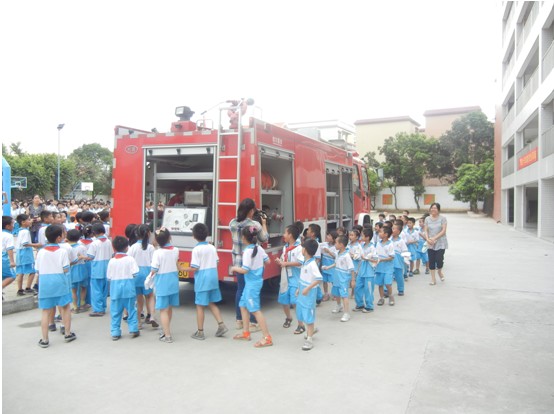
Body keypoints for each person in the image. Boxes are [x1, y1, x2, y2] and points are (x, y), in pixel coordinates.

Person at [180, 223, 228, 340]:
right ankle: (221, 325)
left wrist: (182, 268)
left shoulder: (196, 249)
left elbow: (195, 267)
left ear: (194, 236)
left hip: (202, 279)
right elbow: (216, 261)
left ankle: (200, 331)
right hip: (213, 277)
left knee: (200, 306)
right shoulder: (212, 247)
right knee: (212, 302)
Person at [229, 198, 268, 331]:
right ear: (251, 211)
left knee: (240, 290)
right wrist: (264, 224)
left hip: (238, 262)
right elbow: (264, 238)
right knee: (252, 291)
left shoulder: (232, 223)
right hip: (253, 263)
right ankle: (252, 322)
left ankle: (239, 320)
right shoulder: (255, 225)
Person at [35, 224, 76, 348]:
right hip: (59, 281)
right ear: (59, 238)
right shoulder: (62, 251)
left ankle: (44, 339)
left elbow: (37, 270)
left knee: (45, 311)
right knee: (65, 307)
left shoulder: (41, 252)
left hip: (45, 283)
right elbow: (65, 269)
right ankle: (67, 334)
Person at [231, 226, 273, 347]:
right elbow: (268, 261)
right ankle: (246, 333)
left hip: (252, 284)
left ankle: (267, 337)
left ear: (244, 238)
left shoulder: (247, 252)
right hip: (255, 282)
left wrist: (234, 268)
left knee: (255, 310)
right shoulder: (258, 248)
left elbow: (245, 270)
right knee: (243, 306)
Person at [150, 227, 181, 343]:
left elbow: (154, 269)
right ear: (170, 238)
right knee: (169, 308)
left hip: (162, 282)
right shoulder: (176, 250)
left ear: (157, 241)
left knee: (163, 309)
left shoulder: (157, 253)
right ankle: (166, 329)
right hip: (173, 281)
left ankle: (167, 335)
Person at [107, 236, 140, 340]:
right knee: (131, 309)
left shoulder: (111, 261)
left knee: (115, 311)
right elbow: (135, 273)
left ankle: (115, 332)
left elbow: (109, 277)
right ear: (127, 247)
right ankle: (133, 329)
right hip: (128, 288)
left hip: (115, 289)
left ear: (114, 248)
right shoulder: (130, 259)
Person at [128, 224, 158, 329]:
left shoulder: (132, 247)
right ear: (149, 234)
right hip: (147, 273)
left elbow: (129, 261)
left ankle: (138, 322)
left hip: (136, 274)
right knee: (150, 296)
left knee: (138, 298)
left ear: (136, 234)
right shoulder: (151, 248)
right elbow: (154, 263)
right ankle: (152, 317)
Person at [296, 239, 323, 351]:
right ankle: (311, 330)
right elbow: (303, 277)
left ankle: (309, 339)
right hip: (302, 291)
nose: (301, 249)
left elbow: (318, 279)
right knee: (303, 313)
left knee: (308, 315)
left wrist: (307, 288)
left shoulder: (312, 264)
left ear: (305, 250)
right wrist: (299, 289)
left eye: (302, 247)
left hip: (309, 293)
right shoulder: (305, 262)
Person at [275, 224, 303, 333]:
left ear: (290, 235)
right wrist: (280, 261)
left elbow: (300, 262)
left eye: (285, 233)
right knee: (283, 300)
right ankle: (288, 317)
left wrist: (286, 263)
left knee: (295, 302)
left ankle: (301, 325)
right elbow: (284, 259)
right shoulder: (285, 247)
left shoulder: (299, 248)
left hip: (295, 278)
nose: (284, 235)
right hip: (285, 277)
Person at [322, 235, 355, 322]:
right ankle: (339, 305)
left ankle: (346, 313)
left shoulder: (347, 256)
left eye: (336, 243)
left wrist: (352, 280)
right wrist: (328, 267)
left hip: (343, 278)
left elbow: (351, 269)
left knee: (344, 295)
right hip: (336, 276)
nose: (335, 244)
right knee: (336, 293)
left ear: (341, 245)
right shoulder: (338, 253)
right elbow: (336, 263)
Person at [87, 222, 114, 316]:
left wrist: (82, 257)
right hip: (107, 267)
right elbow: (112, 254)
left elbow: (90, 257)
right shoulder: (108, 241)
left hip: (97, 268)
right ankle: (103, 306)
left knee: (96, 290)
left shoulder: (94, 243)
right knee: (104, 290)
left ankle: (98, 309)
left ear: (94, 232)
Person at [14, 214, 40, 295]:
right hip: (26, 253)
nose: (30, 221)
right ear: (23, 222)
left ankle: (20, 289)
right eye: (29, 220)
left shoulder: (20, 230)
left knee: (20, 272)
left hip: (19, 252)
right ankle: (28, 287)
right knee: (32, 271)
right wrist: (35, 245)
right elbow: (25, 243)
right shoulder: (25, 231)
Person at [425, 203, 448, 285]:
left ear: (438, 210)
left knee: (439, 260)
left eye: (435, 208)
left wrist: (434, 238)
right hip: (430, 243)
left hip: (441, 242)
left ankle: (439, 271)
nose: (433, 209)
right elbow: (426, 230)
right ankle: (433, 279)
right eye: (432, 208)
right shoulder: (427, 219)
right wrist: (427, 239)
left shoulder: (443, 219)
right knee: (431, 261)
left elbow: (443, 231)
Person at [354, 228, 377, 312]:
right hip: (361, 269)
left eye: (362, 235)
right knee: (358, 287)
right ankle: (360, 304)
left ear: (367, 237)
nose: (361, 237)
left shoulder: (372, 247)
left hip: (369, 271)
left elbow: (375, 259)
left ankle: (369, 306)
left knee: (368, 289)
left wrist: (366, 258)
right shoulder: (361, 245)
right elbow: (357, 255)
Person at [66, 229, 88, 313]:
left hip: (72, 269)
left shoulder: (67, 248)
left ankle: (75, 306)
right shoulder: (82, 247)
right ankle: (82, 303)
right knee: (83, 287)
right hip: (82, 267)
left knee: (73, 290)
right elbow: (86, 258)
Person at [375, 226, 395, 307]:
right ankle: (381, 298)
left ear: (386, 234)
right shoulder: (378, 243)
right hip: (379, 267)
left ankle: (391, 297)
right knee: (380, 284)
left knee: (387, 283)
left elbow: (392, 257)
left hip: (387, 267)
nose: (379, 233)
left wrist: (382, 260)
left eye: (381, 232)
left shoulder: (390, 244)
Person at [391, 223, 408, 299]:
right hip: (390, 261)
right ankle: (386, 290)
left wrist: (406, 261)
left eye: (394, 228)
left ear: (398, 231)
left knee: (399, 276)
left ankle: (400, 289)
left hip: (398, 262)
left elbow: (405, 251)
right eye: (392, 228)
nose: (392, 230)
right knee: (389, 275)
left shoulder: (401, 241)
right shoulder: (389, 240)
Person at [320, 231, 337, 302]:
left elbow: (335, 257)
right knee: (324, 281)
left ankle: (335, 294)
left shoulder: (336, 247)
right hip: (324, 265)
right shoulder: (324, 244)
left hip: (331, 266)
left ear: (333, 239)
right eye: (327, 235)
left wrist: (329, 252)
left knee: (333, 281)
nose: (327, 236)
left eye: (329, 236)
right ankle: (326, 293)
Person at [2, 216, 16, 295]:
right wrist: (12, 261)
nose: (13, 226)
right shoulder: (8, 235)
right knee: (11, 276)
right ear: (7, 226)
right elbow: (9, 249)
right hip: (3, 258)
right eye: (12, 224)